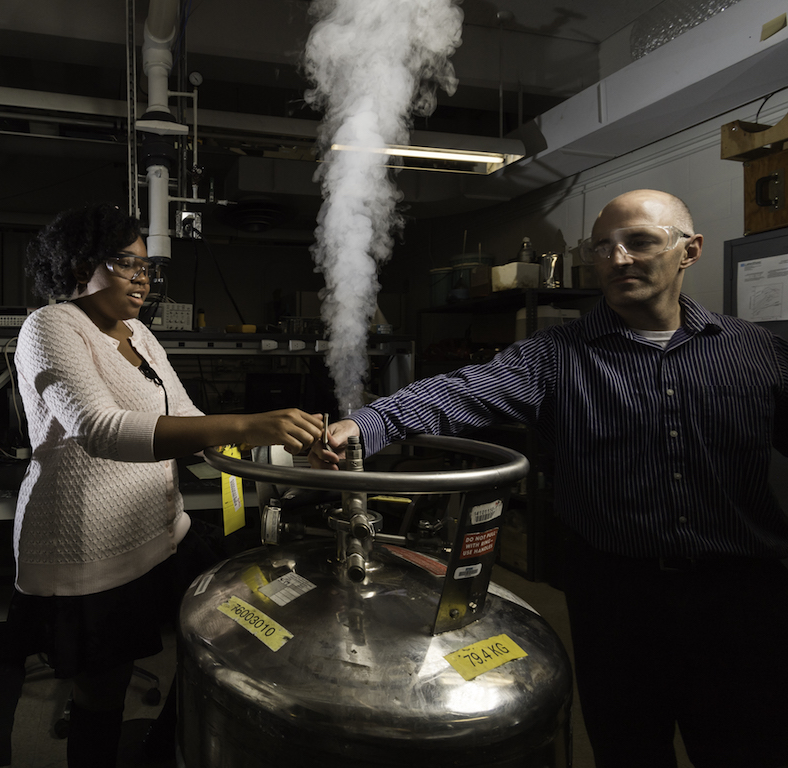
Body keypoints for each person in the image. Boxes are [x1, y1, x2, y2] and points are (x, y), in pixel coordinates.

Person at [311, 189, 788, 768]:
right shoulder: (555, 357)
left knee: (748, 746)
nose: (617, 260)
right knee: (629, 747)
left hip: (741, 597)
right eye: (602, 248)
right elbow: (455, 393)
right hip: (617, 597)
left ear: (690, 251)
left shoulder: (756, 352)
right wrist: (366, 423)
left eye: (639, 242)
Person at [12, 202, 323, 767]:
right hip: (89, 550)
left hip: (162, 531)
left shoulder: (141, 336)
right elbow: (100, 429)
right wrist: (246, 422)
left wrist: (289, 450)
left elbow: (190, 421)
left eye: (148, 267)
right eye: (126, 264)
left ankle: (163, 751)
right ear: (81, 262)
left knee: (225, 635)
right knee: (101, 694)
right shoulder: (51, 325)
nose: (143, 279)